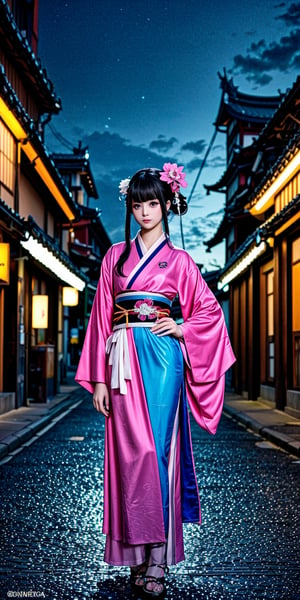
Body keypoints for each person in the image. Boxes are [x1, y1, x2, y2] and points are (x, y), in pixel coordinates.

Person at [75, 163, 235, 598]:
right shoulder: (114, 256)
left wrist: (182, 329)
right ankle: (136, 554)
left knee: (156, 452)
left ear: (167, 205)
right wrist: (100, 381)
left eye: (153, 203)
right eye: (137, 204)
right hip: (122, 357)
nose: (145, 211)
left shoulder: (180, 261)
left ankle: (159, 558)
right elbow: (99, 318)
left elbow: (208, 311)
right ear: (130, 207)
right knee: (130, 458)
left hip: (163, 359)